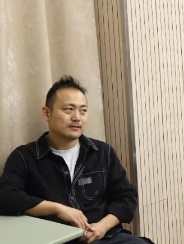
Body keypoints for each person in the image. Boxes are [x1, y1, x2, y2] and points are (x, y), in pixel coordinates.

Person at [0, 76, 148, 244]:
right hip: (56, 240)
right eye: (69, 109)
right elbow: (5, 196)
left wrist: (102, 227)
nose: (77, 117)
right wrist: (57, 209)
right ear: (46, 113)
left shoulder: (102, 152)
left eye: (83, 110)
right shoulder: (24, 157)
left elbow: (127, 197)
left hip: (105, 238)